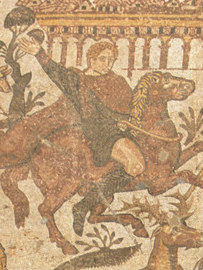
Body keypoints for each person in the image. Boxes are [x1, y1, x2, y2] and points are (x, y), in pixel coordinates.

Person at [15, 36, 145, 234]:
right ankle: (83, 207)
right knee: (135, 165)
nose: (107, 64)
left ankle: (83, 207)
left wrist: (124, 120)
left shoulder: (118, 81)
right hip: (101, 133)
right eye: (102, 59)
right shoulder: (80, 81)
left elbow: (128, 108)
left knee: (139, 163)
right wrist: (39, 53)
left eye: (111, 60)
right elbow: (58, 74)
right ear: (91, 59)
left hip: (122, 130)